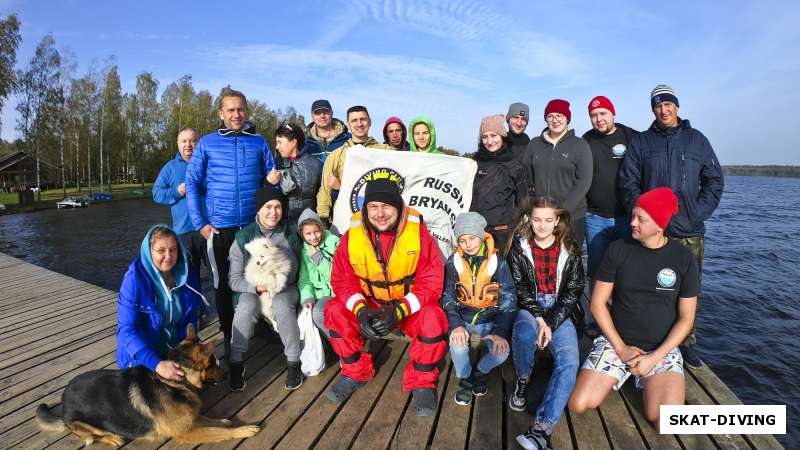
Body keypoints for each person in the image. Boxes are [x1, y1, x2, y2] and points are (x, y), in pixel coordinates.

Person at [569, 187, 698, 429]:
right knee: (579, 404)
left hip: (661, 348)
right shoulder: (618, 249)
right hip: (617, 342)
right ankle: (626, 372)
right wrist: (621, 348)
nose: (632, 223)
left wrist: (654, 358)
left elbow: (686, 318)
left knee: (665, 422)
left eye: (641, 219)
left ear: (660, 225)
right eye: (633, 216)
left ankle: (646, 377)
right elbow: (597, 304)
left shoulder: (683, 258)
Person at [618, 85, 723, 368]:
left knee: (688, 290)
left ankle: (686, 342)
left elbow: (715, 181)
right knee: (651, 288)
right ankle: (649, 338)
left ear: (677, 106)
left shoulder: (697, 141)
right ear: (652, 109)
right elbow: (628, 182)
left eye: (668, 104)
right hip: (652, 234)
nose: (663, 110)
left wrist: (696, 214)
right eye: (657, 106)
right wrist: (642, 216)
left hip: (689, 232)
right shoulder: (642, 142)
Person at [324, 178, 447, 416]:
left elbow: (431, 282)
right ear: (365, 209)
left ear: (399, 207)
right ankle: (355, 372)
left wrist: (399, 310)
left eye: (386, 206)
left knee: (433, 316)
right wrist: (360, 310)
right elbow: (342, 279)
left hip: (407, 308)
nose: (380, 213)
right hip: (369, 306)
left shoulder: (419, 236)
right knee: (334, 310)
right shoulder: (352, 237)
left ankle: (422, 381)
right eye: (373, 207)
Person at [185, 89, 276, 360]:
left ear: (247, 111)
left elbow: (270, 181)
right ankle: (229, 335)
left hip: (251, 227)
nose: (236, 115)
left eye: (241, 109)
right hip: (219, 228)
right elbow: (192, 183)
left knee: (258, 277)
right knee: (222, 283)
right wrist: (200, 222)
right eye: (231, 110)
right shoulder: (207, 143)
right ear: (221, 113)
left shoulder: (259, 143)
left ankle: (258, 327)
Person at [505, 197, 585, 450]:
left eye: (548, 220)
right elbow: (520, 290)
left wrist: (550, 321)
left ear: (558, 221)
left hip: (561, 310)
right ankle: (524, 378)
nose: (542, 225)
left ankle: (541, 429)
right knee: (525, 332)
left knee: (570, 360)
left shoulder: (570, 248)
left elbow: (572, 292)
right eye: (537, 219)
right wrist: (541, 319)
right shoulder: (518, 248)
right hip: (530, 306)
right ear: (530, 219)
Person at [227, 188, 304, 392]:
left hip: (288, 288)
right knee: (245, 305)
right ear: (258, 210)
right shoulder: (243, 238)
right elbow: (234, 281)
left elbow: (307, 262)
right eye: (267, 207)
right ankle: (235, 362)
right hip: (255, 289)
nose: (273, 212)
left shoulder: (292, 231)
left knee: (281, 302)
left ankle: (294, 362)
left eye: (278, 207)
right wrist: (258, 287)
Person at [440, 212, 515, 406]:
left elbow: (508, 300)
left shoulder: (498, 263)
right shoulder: (452, 263)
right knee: (457, 345)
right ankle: (465, 377)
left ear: (481, 236)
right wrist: (455, 325)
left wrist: (499, 332)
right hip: (463, 320)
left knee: (502, 353)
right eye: (462, 240)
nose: (468, 244)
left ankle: (481, 371)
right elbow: (447, 296)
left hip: (491, 322)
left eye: (472, 238)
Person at [116, 225, 204, 382]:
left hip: (175, 350)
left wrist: (188, 353)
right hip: (143, 356)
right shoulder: (134, 279)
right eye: (161, 251)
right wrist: (156, 364)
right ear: (149, 252)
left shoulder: (187, 275)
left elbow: (190, 320)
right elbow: (125, 331)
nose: (168, 256)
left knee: (207, 374)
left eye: (173, 249)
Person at [582, 96, 638, 338]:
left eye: (603, 113)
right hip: (595, 217)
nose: (599, 119)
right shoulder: (587, 140)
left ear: (612, 114)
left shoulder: (631, 136)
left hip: (626, 217)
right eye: (594, 115)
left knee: (626, 270)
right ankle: (597, 318)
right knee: (596, 270)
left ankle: (623, 320)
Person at [523, 99, 593, 248]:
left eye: (559, 116)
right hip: (542, 218)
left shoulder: (580, 145)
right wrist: (533, 206)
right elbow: (527, 176)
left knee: (570, 260)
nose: (555, 120)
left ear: (567, 118)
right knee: (543, 260)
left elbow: (584, 181)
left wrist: (562, 211)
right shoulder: (535, 144)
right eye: (550, 116)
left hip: (571, 216)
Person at [316, 106, 392, 222]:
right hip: (347, 217)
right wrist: (323, 218)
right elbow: (325, 191)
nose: (359, 124)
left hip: (380, 217)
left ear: (370, 121)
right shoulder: (336, 155)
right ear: (349, 124)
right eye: (354, 120)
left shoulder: (386, 151)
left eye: (363, 119)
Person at [152, 128, 208, 281]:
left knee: (218, 276)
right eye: (184, 141)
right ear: (178, 144)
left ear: (199, 143)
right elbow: (156, 193)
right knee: (188, 279)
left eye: (192, 141)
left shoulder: (208, 163)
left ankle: (223, 306)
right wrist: (176, 192)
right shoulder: (170, 168)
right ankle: (196, 306)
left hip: (208, 230)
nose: (188, 145)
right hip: (183, 234)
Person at [470, 114, 530, 252]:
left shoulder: (515, 166)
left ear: (502, 137)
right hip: (477, 231)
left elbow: (523, 202)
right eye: (485, 137)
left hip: (503, 233)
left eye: (493, 135)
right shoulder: (474, 164)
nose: (489, 141)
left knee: (502, 272)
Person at [267, 121, 322, 223]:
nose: (277, 147)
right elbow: (265, 198)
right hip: (283, 224)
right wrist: (268, 183)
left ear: (293, 142)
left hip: (310, 224)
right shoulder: (274, 165)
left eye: (280, 142)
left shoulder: (316, 164)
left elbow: (323, 195)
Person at [297, 208, 339, 338]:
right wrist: (307, 297)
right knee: (304, 312)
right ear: (302, 234)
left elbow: (338, 275)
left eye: (316, 232)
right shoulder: (305, 250)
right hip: (318, 294)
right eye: (308, 234)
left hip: (335, 292)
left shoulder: (335, 243)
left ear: (321, 229)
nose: (313, 237)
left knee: (319, 313)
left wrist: (319, 259)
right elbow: (305, 278)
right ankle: (331, 346)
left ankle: (340, 346)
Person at [304, 99, 351, 165]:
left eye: (326, 112)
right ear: (312, 116)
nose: (322, 116)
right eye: (317, 113)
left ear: (332, 113)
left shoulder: (348, 139)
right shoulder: (304, 142)